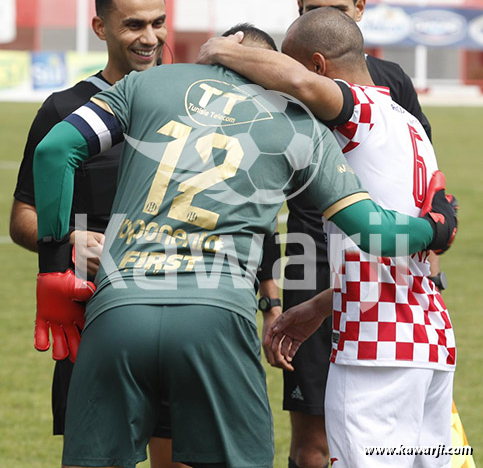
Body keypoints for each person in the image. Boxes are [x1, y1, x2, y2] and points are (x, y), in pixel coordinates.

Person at [32, 26, 455, 468]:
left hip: (118, 307)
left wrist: (52, 269)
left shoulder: (145, 82)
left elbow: (55, 151)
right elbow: (376, 234)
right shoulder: (298, 122)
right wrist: (436, 228)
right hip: (216, 315)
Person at [197, 7, 457, 467]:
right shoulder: (409, 123)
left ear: (318, 67)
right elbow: (394, 254)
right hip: (428, 340)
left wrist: (217, 48)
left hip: (377, 351)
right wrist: (321, 306)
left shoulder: (362, 114)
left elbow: (297, 83)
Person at [257, 0, 439, 468]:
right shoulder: (284, 84)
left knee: (392, 438)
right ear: (298, 9)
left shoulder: (387, 88)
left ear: (359, 8)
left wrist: (431, 268)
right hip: (313, 258)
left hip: (391, 263)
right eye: (313, 8)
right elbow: (264, 196)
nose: (325, 17)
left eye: (337, 7)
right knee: (315, 439)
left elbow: (427, 182)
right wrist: (271, 294)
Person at [10, 0, 183, 468]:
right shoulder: (63, 110)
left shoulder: (190, 106)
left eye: (158, 22)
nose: (149, 37)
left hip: (176, 315)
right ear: (101, 27)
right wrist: (67, 242)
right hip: (92, 320)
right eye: (133, 25)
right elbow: (23, 215)